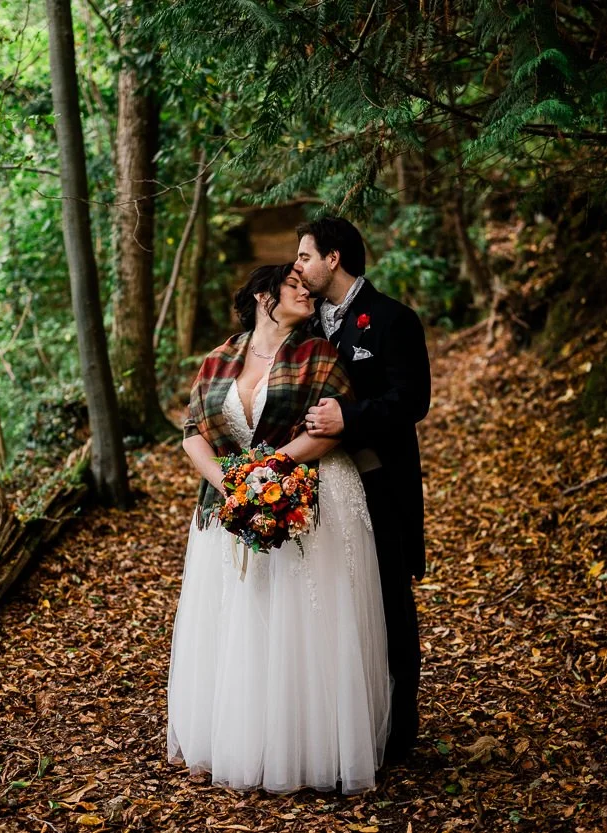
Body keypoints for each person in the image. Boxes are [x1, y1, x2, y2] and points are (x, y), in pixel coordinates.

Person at [166, 264, 391, 794]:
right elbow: (192, 432)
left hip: (299, 493)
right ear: (265, 297)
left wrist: (267, 470)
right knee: (245, 621)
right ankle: (249, 737)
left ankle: (308, 745)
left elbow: (327, 431)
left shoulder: (318, 355)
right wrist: (229, 482)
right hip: (231, 504)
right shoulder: (222, 358)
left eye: (307, 286)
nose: (306, 291)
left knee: (301, 623)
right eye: (294, 286)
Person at [297, 217, 431, 764]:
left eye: (305, 256)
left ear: (333, 258)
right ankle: (340, 727)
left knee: (390, 604)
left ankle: (398, 734)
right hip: (318, 491)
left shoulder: (395, 319)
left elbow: (412, 401)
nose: (298, 267)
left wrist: (348, 418)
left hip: (379, 484)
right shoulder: (302, 328)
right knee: (333, 606)